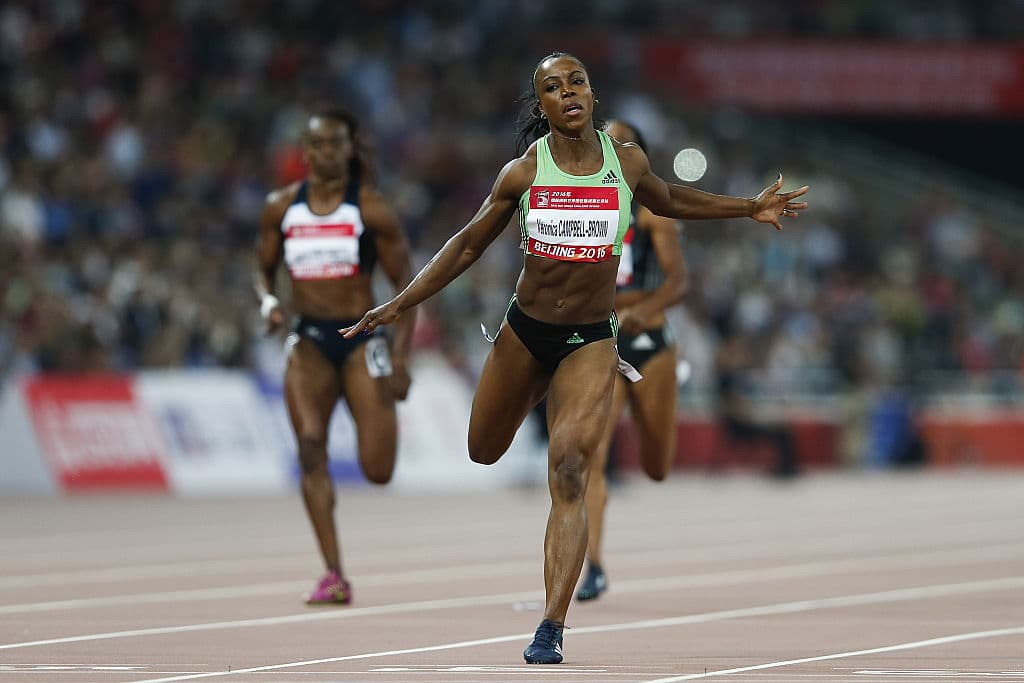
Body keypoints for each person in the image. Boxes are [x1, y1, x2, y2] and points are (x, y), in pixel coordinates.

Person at [342, 52, 807, 663]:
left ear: (592, 93)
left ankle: (551, 627)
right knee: (482, 449)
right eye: (553, 88)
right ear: (542, 106)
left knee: (568, 468)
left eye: (577, 82)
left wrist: (748, 207)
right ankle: (529, 409)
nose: (568, 93)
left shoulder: (627, 163)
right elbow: (465, 246)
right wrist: (401, 303)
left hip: (590, 340)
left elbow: (671, 201)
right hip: (524, 333)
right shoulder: (524, 171)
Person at [255, 107, 414, 605]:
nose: (326, 152)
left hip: (361, 340)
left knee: (378, 469)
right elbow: (260, 269)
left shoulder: (370, 209)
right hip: (308, 343)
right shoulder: (281, 208)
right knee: (308, 447)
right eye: (318, 145)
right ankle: (333, 573)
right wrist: (269, 300)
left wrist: (401, 356)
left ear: (349, 149)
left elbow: (407, 289)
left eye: (335, 144)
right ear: (305, 152)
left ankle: (381, 413)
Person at [576, 118, 688, 603]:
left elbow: (678, 283)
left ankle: (654, 440)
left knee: (657, 465)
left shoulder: (651, 214)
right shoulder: (583, 205)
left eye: (625, 143)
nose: (615, 149)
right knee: (589, 456)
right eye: (610, 141)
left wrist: (644, 309)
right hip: (601, 339)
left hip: (649, 343)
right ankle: (593, 565)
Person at [715, 332, 800, 478]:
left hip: (745, 420)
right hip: (738, 424)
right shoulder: (725, 378)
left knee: (783, 429)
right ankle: (785, 468)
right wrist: (753, 414)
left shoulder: (738, 377)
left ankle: (786, 466)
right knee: (781, 432)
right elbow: (732, 406)